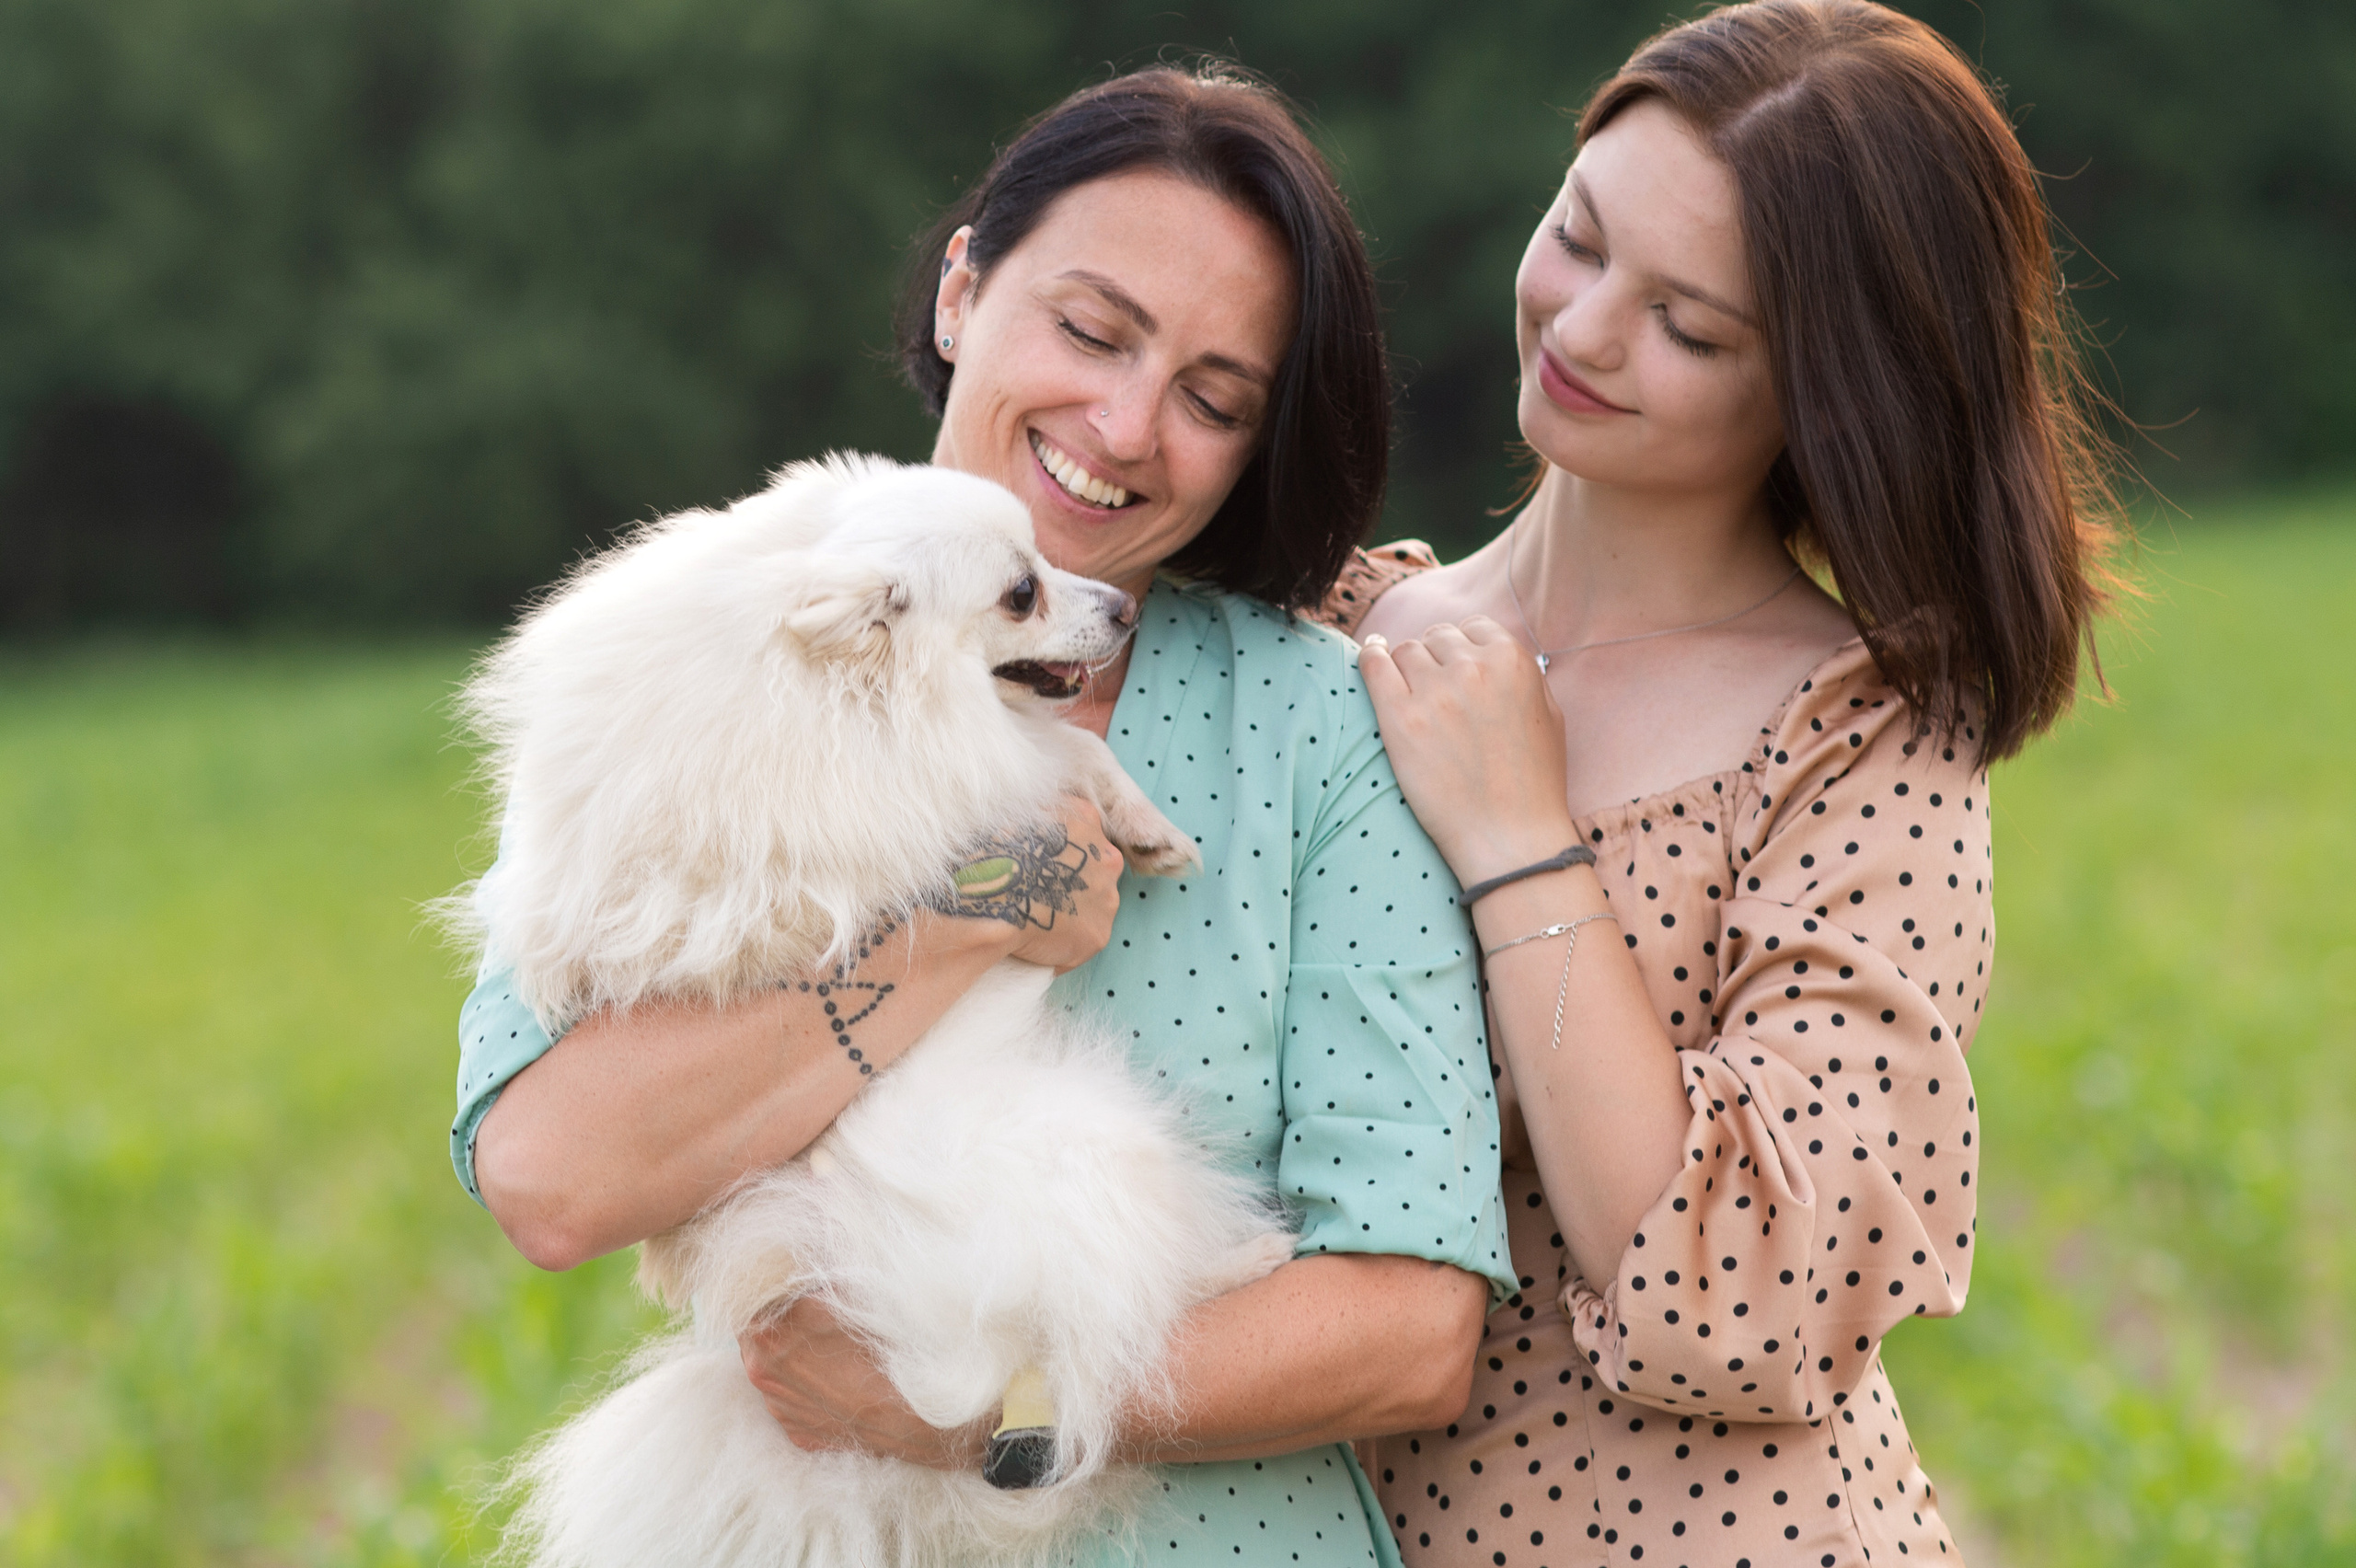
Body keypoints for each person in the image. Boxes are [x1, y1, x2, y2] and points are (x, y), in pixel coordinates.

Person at [447, 65, 1514, 1567]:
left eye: (1214, 399)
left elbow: (1409, 1328)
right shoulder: (713, 650)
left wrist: (972, 1419)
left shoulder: (1319, 731)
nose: (1127, 424)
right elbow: (555, 1178)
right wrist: (970, 919)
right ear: (962, 293)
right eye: (1089, 329)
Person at [1332, 4, 2122, 1563]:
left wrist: (1516, 840)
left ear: (1827, 392)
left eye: (1691, 328)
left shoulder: (1859, 739)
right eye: (1579, 237)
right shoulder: (1328, 641)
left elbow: (1746, 1300)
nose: (1584, 329)